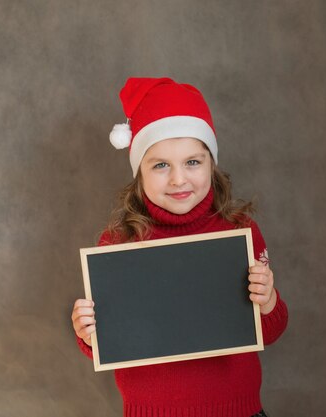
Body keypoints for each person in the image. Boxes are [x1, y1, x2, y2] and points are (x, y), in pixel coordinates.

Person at [71, 77, 288, 417]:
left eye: (192, 162)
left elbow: (272, 330)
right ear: (139, 173)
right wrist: (87, 331)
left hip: (238, 410)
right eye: (160, 165)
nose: (178, 179)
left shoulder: (239, 232)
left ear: (211, 164)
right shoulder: (118, 246)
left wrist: (268, 300)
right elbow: (107, 344)